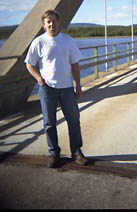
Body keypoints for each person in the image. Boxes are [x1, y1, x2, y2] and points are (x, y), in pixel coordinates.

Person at [25, 9, 89, 168]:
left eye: (54, 21)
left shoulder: (67, 40)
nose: (51, 24)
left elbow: (75, 64)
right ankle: (54, 153)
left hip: (67, 88)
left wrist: (78, 85)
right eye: (48, 22)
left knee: (74, 121)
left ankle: (77, 152)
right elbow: (29, 64)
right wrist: (39, 79)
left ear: (58, 22)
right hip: (47, 89)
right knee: (49, 123)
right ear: (44, 24)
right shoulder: (38, 42)